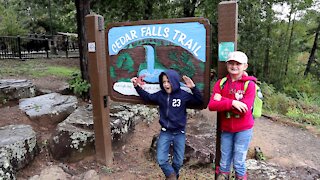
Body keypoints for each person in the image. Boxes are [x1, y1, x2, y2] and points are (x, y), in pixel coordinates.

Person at [131, 69, 203, 180]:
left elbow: (199, 101)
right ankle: (171, 175)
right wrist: (136, 86)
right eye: (163, 82)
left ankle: (173, 176)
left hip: (180, 132)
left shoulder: (183, 95)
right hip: (166, 132)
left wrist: (193, 88)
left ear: (174, 81)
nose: (166, 84)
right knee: (161, 159)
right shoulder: (161, 95)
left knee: (178, 162)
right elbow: (148, 97)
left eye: (168, 82)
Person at [207, 51, 256, 180]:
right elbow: (212, 106)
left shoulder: (249, 85)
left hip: (244, 129)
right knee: (224, 161)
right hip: (227, 129)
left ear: (245, 66)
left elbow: (244, 110)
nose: (234, 66)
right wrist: (232, 102)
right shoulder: (221, 83)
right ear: (227, 65)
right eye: (231, 63)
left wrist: (222, 101)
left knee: (239, 161)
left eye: (238, 64)